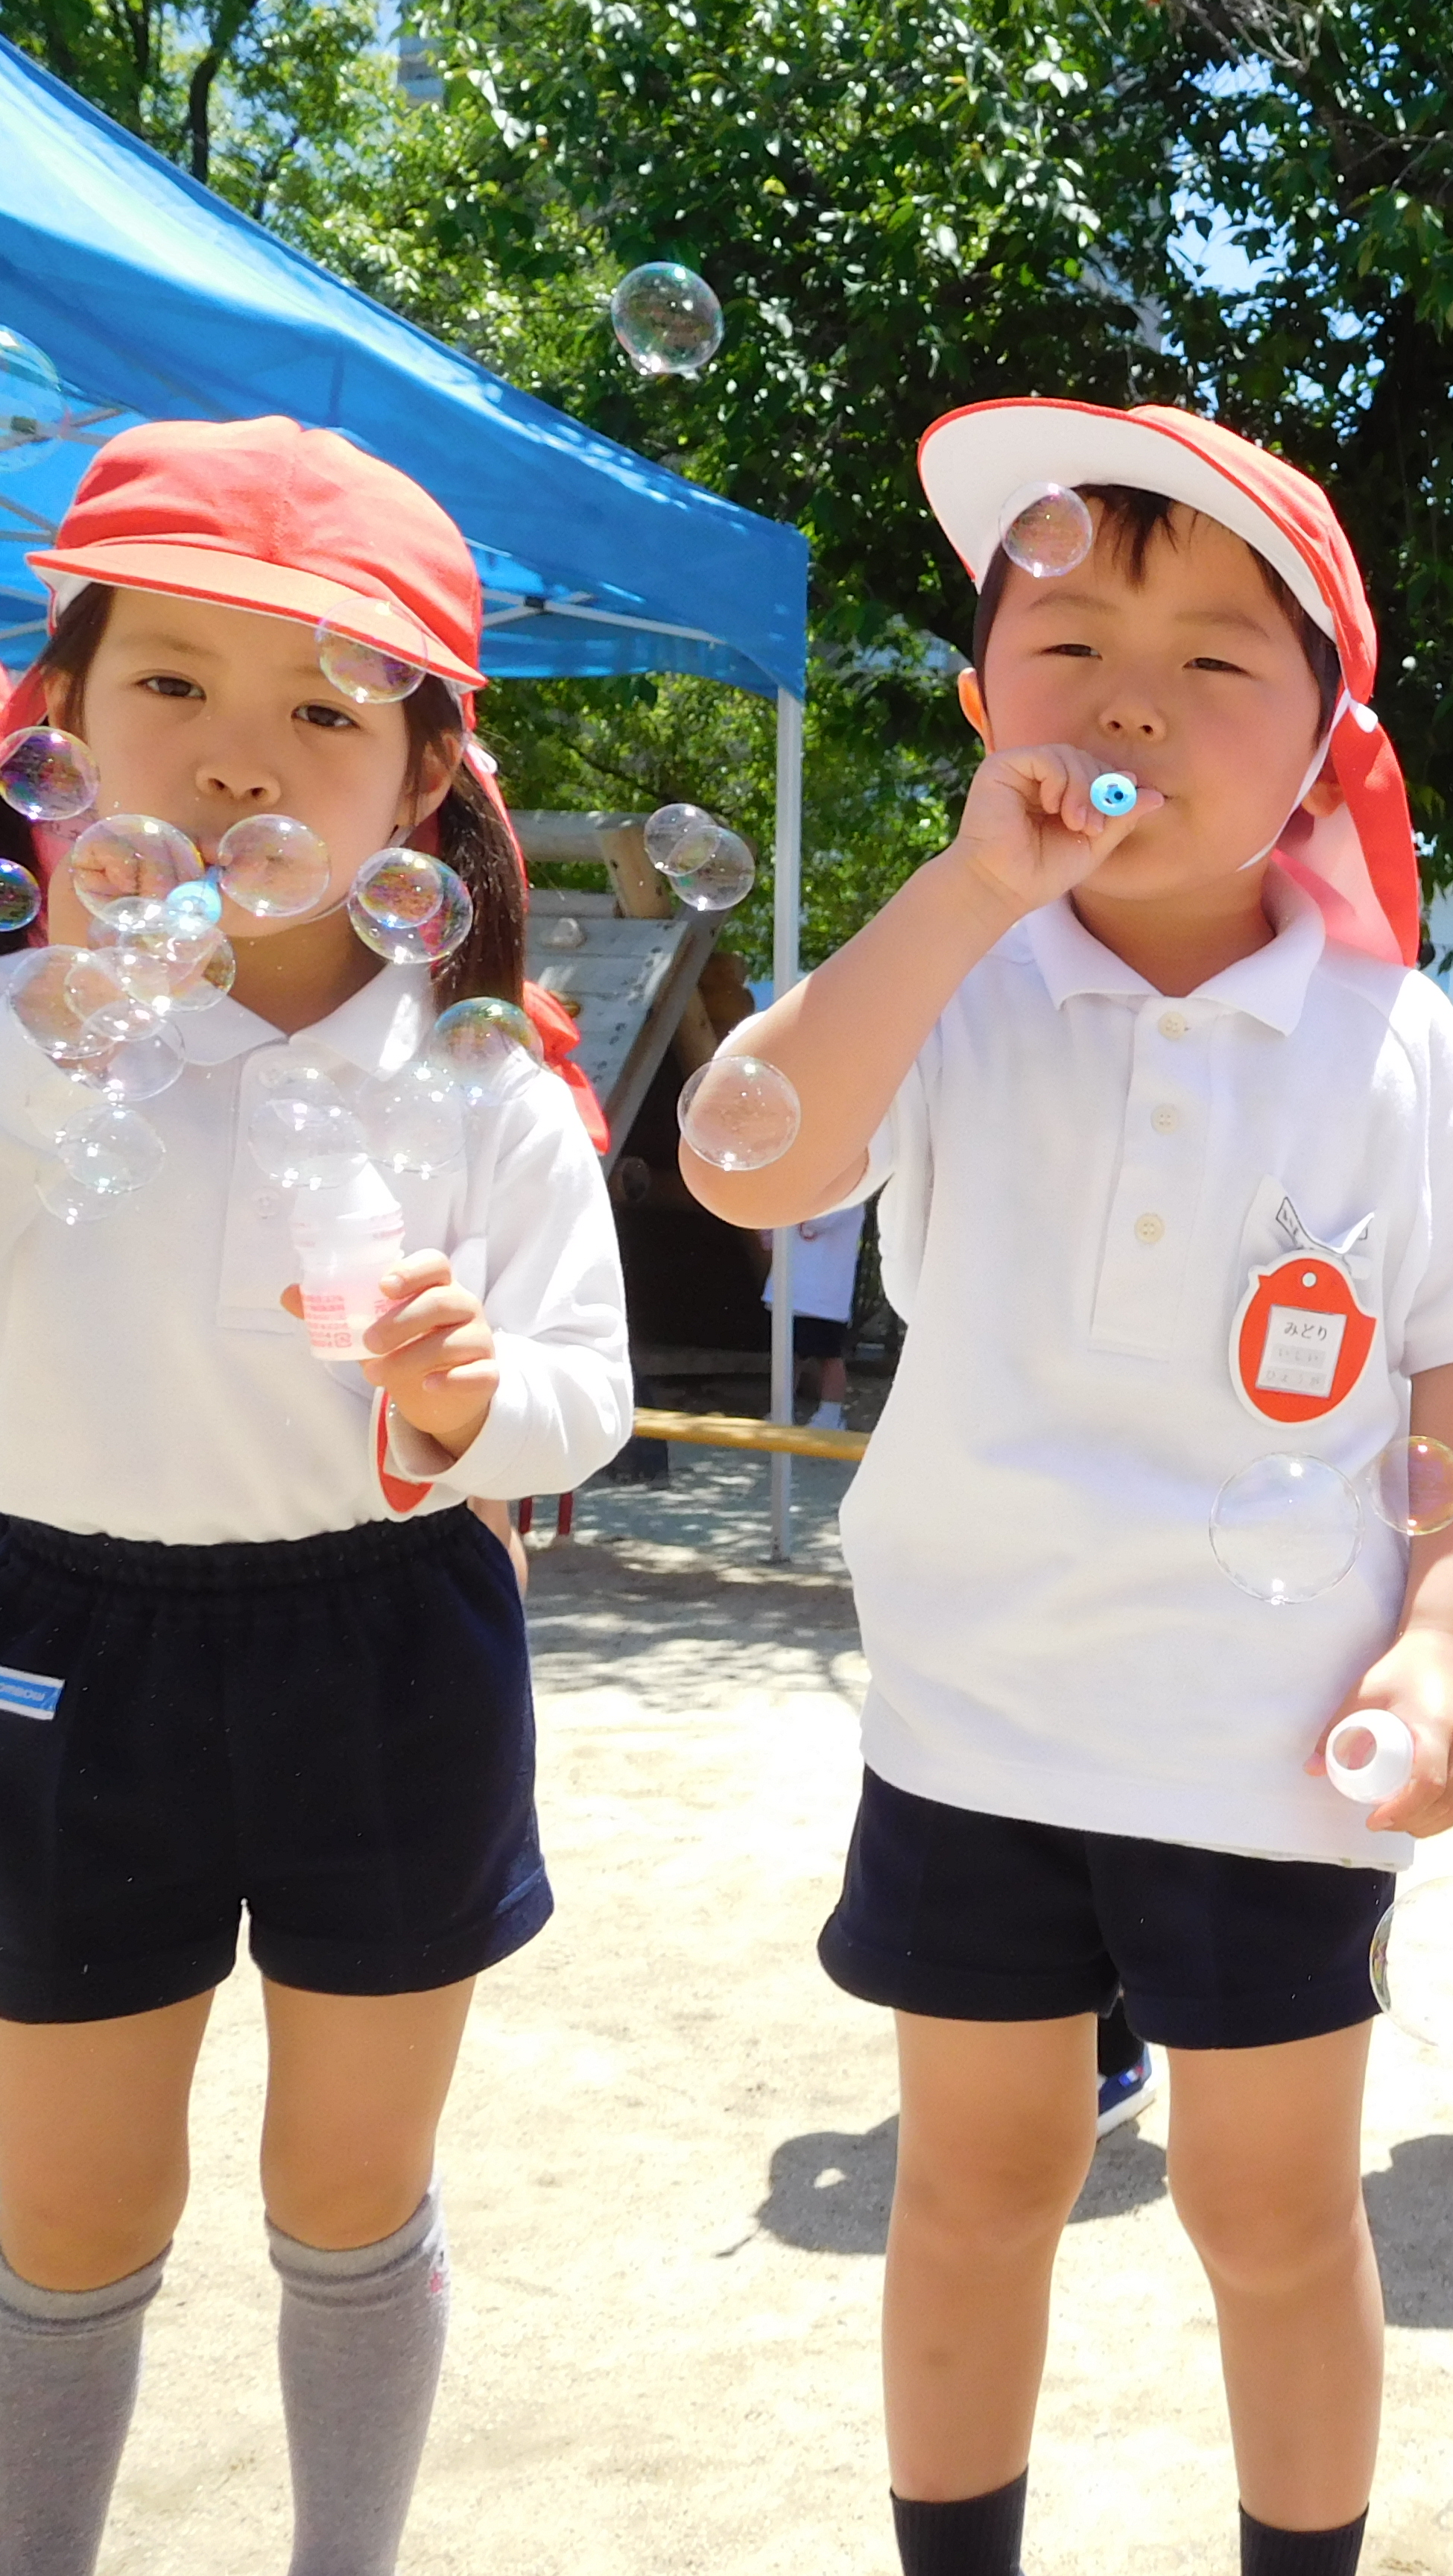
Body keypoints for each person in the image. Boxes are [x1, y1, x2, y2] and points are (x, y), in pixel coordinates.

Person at [683, 399, 1453, 2576]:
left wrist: (1445, 1638)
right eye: (1066, 641)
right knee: (975, 2199)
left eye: (1217, 658)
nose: (1132, 696)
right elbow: (742, 1157)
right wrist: (968, 889)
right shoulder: (952, 982)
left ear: (1330, 743)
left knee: (1273, 2222)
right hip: (975, 1721)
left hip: (1272, 1739)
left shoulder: (1394, 1040)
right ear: (987, 705)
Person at [0, 418, 630, 2574]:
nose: (241, 759)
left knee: (349, 2192)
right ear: (58, 722)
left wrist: (473, 1411)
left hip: (383, 1644)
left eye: (321, 708)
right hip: (51, 1643)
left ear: (427, 782)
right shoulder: (19, 1033)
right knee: (69, 2203)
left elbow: (588, 1389)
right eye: (169, 683)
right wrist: (60, 1024)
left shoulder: (485, 1086)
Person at [788, 1193, 869, 1429]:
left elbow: (818, 1222)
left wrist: (794, 1206)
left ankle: (830, 1416)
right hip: (795, 1289)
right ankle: (782, 1408)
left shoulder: (851, 1194)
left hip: (825, 1292)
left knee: (830, 1356)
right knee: (788, 1354)